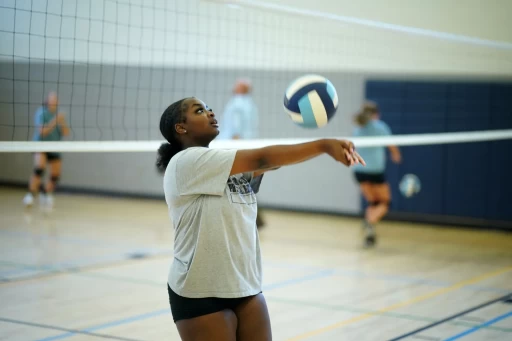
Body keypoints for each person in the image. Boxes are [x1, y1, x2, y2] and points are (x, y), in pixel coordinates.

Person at [156, 97, 365, 341]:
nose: (210, 112)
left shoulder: (220, 163)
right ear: (181, 128)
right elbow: (262, 159)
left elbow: (271, 163)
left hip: (245, 285)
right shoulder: (186, 162)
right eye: (200, 110)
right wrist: (323, 146)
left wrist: (325, 148)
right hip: (200, 291)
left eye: (209, 107)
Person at [352, 101, 401, 247]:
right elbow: (392, 147)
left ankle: (370, 235)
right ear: (376, 114)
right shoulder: (381, 127)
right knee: (384, 203)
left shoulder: (358, 128)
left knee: (373, 202)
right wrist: (396, 155)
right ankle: (369, 222)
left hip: (359, 171)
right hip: (375, 171)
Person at [219, 79, 265, 227]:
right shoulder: (251, 104)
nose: (233, 85)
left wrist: (234, 153)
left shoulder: (237, 103)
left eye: (237, 84)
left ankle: (253, 218)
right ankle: (256, 219)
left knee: (233, 183)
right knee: (243, 183)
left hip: (232, 148)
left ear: (242, 88)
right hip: (245, 147)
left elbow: (236, 130)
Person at [23, 91, 70, 210]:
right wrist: (55, 120)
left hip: (54, 147)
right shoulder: (42, 112)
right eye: (52, 99)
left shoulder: (59, 116)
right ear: (47, 101)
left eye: (56, 100)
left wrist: (61, 121)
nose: (54, 102)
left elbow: (66, 133)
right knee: (40, 168)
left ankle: (45, 193)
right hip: (41, 145)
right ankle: (30, 195)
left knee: (55, 175)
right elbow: (42, 131)